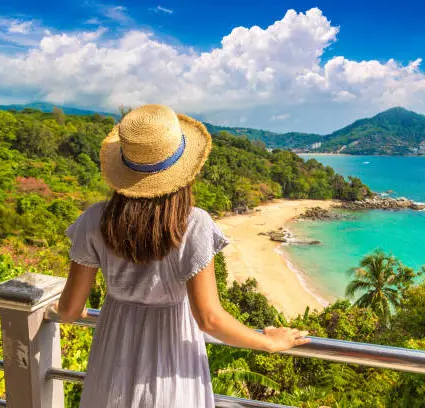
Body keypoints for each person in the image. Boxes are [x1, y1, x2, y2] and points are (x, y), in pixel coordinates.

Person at [54, 104, 310, 407]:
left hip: (112, 354)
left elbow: (69, 311)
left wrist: (92, 312)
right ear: (182, 171)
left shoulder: (95, 219)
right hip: (171, 356)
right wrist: (269, 342)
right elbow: (209, 319)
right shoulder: (192, 223)